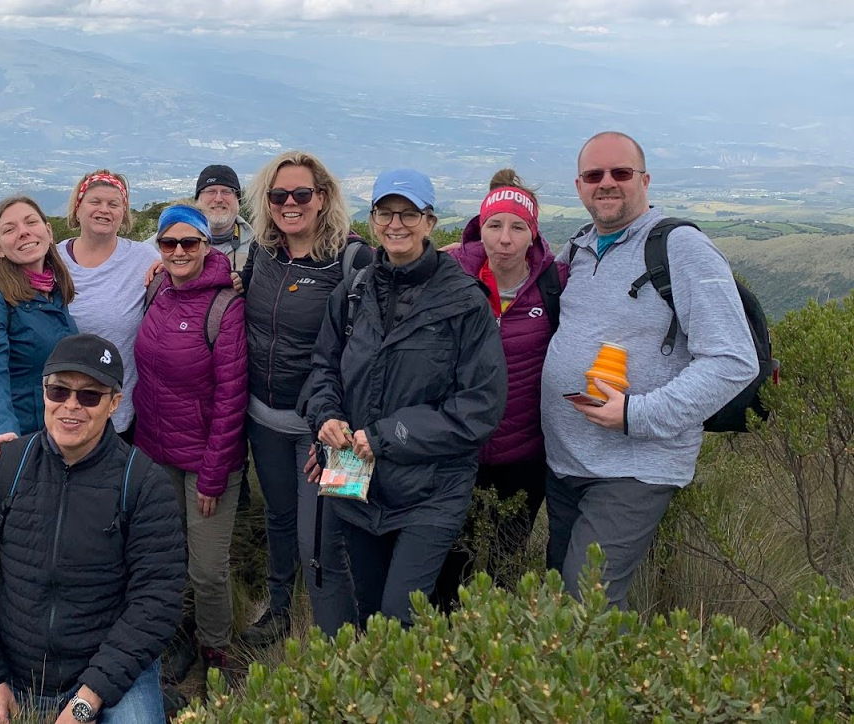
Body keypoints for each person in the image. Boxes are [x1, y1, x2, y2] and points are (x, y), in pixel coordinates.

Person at [541, 131, 758, 610]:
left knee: (584, 606)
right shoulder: (579, 245)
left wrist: (636, 415)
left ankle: (612, 685)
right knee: (558, 603)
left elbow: (733, 359)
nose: (607, 184)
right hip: (565, 462)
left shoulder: (680, 247)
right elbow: (528, 282)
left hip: (634, 468)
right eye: (595, 175)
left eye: (621, 173)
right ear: (579, 186)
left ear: (645, 180)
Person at [303, 168, 507, 627]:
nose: (396, 224)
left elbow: (480, 405)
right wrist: (326, 415)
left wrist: (386, 436)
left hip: (432, 490)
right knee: (372, 615)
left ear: (430, 222)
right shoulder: (353, 292)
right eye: (385, 213)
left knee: (401, 616)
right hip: (357, 484)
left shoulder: (463, 301)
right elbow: (324, 369)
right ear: (372, 219)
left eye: (409, 213)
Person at [0, 333, 185, 724]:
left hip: (111, 677)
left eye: (89, 396)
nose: (71, 406)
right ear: (44, 392)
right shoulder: (6, 467)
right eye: (59, 390)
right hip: (19, 674)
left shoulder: (142, 483)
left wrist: (86, 701)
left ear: (114, 404)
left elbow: (156, 600)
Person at [238, 150, 373, 644]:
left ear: (323, 198)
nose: (289, 203)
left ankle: (339, 636)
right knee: (279, 519)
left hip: (332, 425)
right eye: (279, 195)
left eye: (301, 194)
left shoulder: (353, 259)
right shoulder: (261, 252)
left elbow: (370, 348)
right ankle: (279, 611)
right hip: (266, 419)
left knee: (328, 533)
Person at [434, 169, 568, 607]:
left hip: (525, 457)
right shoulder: (451, 273)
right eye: (495, 225)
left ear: (533, 234)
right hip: (459, 451)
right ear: (480, 227)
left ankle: (499, 660)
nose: (505, 238)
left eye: (517, 227)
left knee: (507, 569)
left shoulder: (556, 283)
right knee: (450, 566)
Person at [133, 205, 247, 683]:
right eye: (168, 244)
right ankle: (177, 638)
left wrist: (214, 474)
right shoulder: (157, 288)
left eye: (190, 243)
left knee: (206, 570)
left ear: (207, 245)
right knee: (167, 560)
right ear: (158, 247)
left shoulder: (226, 304)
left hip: (206, 463)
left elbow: (231, 398)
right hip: (156, 454)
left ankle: (214, 650)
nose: (178, 252)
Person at [0, 170, 159, 443]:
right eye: (94, 201)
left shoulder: (143, 258)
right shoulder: (54, 261)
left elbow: (182, 269)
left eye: (114, 203)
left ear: (124, 212)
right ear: (77, 209)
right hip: (40, 424)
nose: (104, 210)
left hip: (116, 414)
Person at [0, 196, 78, 475]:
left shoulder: (54, 290)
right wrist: (0, 431)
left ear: (49, 232)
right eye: (9, 229)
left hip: (54, 441)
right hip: (11, 446)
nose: (24, 232)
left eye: (30, 222)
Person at [146, 164, 254, 272]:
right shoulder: (162, 242)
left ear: (238, 200)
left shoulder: (256, 244)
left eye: (226, 192)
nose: (218, 199)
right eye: (211, 191)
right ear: (198, 200)